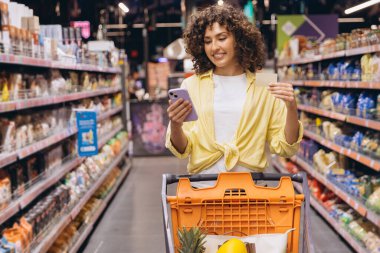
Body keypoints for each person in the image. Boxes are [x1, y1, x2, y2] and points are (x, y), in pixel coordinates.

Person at [165, 4, 303, 186]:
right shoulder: (192, 85)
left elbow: (285, 148)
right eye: (207, 41)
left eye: (221, 38)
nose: (214, 47)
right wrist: (176, 124)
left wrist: (291, 108)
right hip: (204, 191)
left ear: (239, 39)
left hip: (251, 193)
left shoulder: (264, 83)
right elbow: (182, 149)